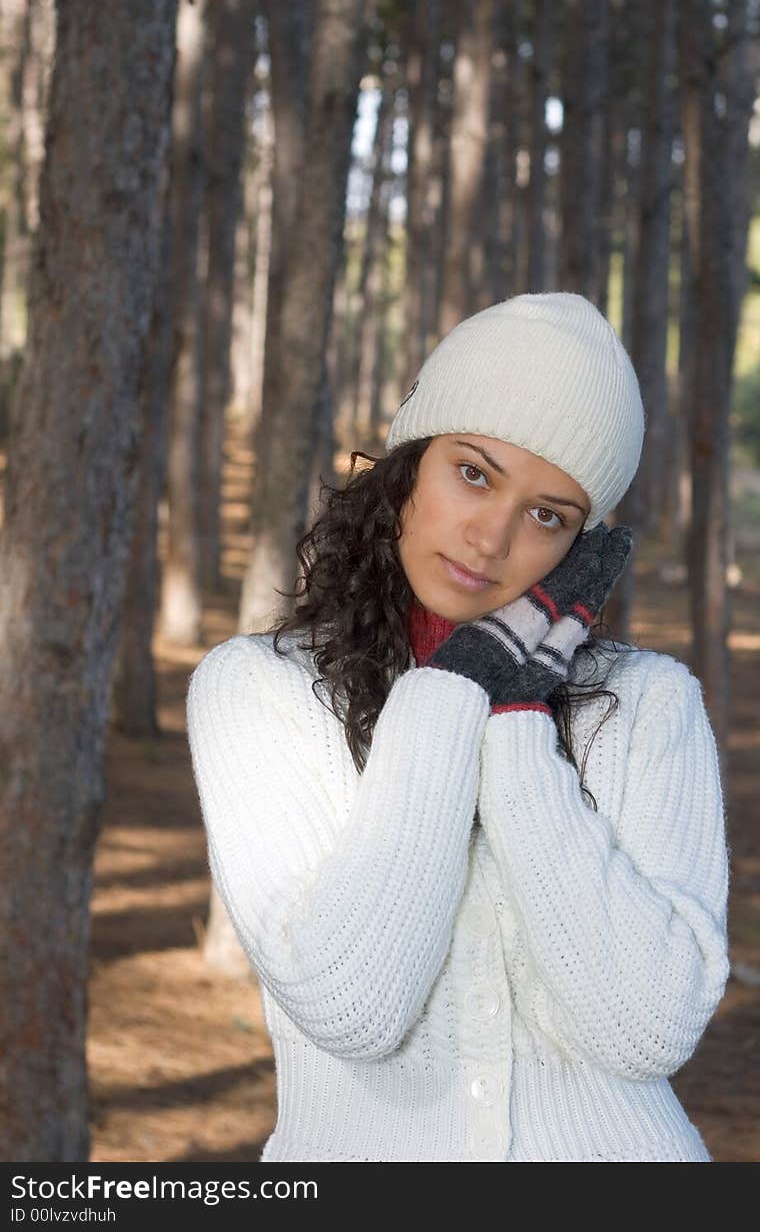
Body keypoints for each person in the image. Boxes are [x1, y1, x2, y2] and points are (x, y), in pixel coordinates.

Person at [185, 291, 730, 1162]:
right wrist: (454, 693)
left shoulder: (648, 705)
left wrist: (515, 725)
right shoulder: (259, 691)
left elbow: (648, 1031)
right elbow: (353, 1004)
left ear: (581, 548)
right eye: (473, 473)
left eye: (548, 515)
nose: (491, 537)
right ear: (407, 467)